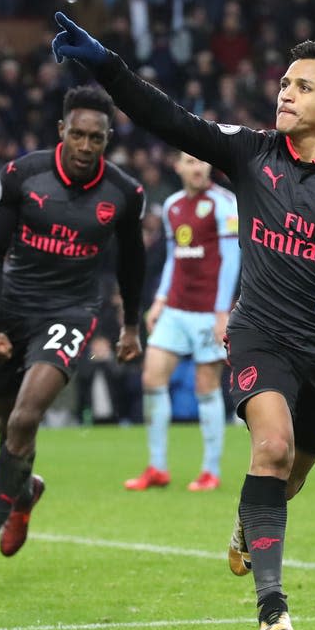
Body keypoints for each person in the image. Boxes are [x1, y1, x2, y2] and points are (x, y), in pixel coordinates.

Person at [51, 12, 315, 630]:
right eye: (284, 82)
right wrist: (107, 66)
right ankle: (273, 607)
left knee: (290, 477)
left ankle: (245, 525)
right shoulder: (250, 152)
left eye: (303, 86)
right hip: (258, 332)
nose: (285, 93)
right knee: (273, 448)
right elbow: (167, 117)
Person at [0, 85, 146, 589]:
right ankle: (22, 492)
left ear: (108, 139)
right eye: (77, 134)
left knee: (25, 416)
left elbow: (132, 263)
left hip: (71, 313)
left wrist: (129, 325)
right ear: (61, 131)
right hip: (12, 308)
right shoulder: (21, 175)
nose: (85, 146)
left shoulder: (124, 194)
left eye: (95, 138)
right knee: (9, 431)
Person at [124, 151, 240, 492]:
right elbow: (175, 258)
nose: (198, 167)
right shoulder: (173, 205)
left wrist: (222, 312)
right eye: (189, 162)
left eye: (202, 161)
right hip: (175, 308)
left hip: (208, 311)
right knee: (151, 378)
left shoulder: (223, 202)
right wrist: (160, 300)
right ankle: (157, 466)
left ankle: (210, 470)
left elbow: (233, 259)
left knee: (205, 385)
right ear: (178, 167)